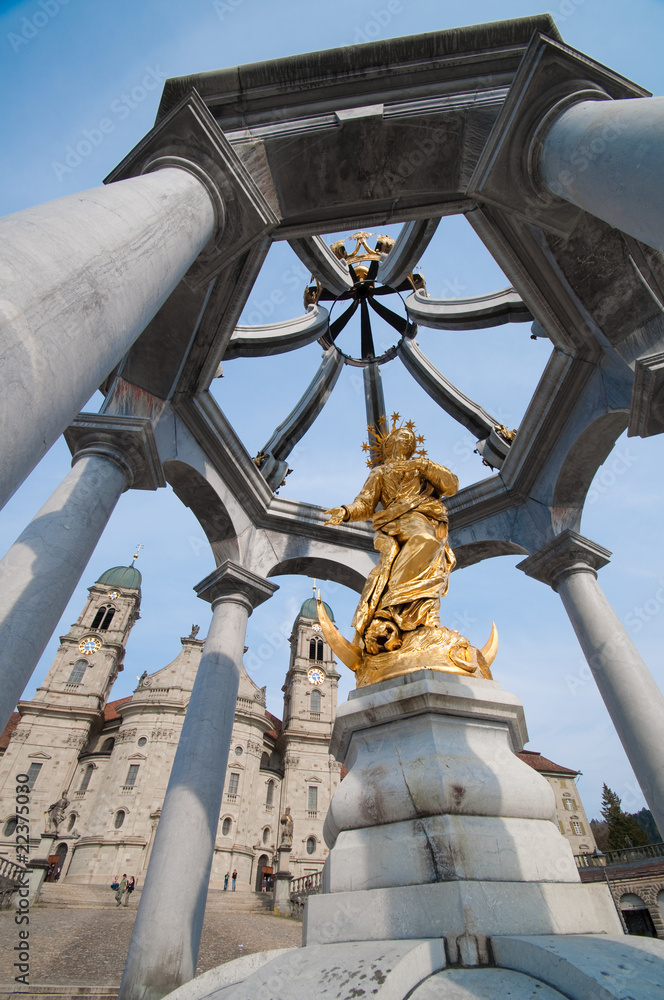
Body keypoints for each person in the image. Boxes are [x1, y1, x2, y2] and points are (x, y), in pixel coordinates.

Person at [325, 423, 458, 654]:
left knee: (431, 548)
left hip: (424, 517)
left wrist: (424, 465)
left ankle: (416, 615)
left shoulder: (420, 469)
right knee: (425, 541)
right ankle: (391, 605)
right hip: (397, 521)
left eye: (410, 439)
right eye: (400, 437)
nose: (405, 441)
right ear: (388, 446)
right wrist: (346, 511)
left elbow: (451, 485)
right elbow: (365, 504)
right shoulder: (379, 473)